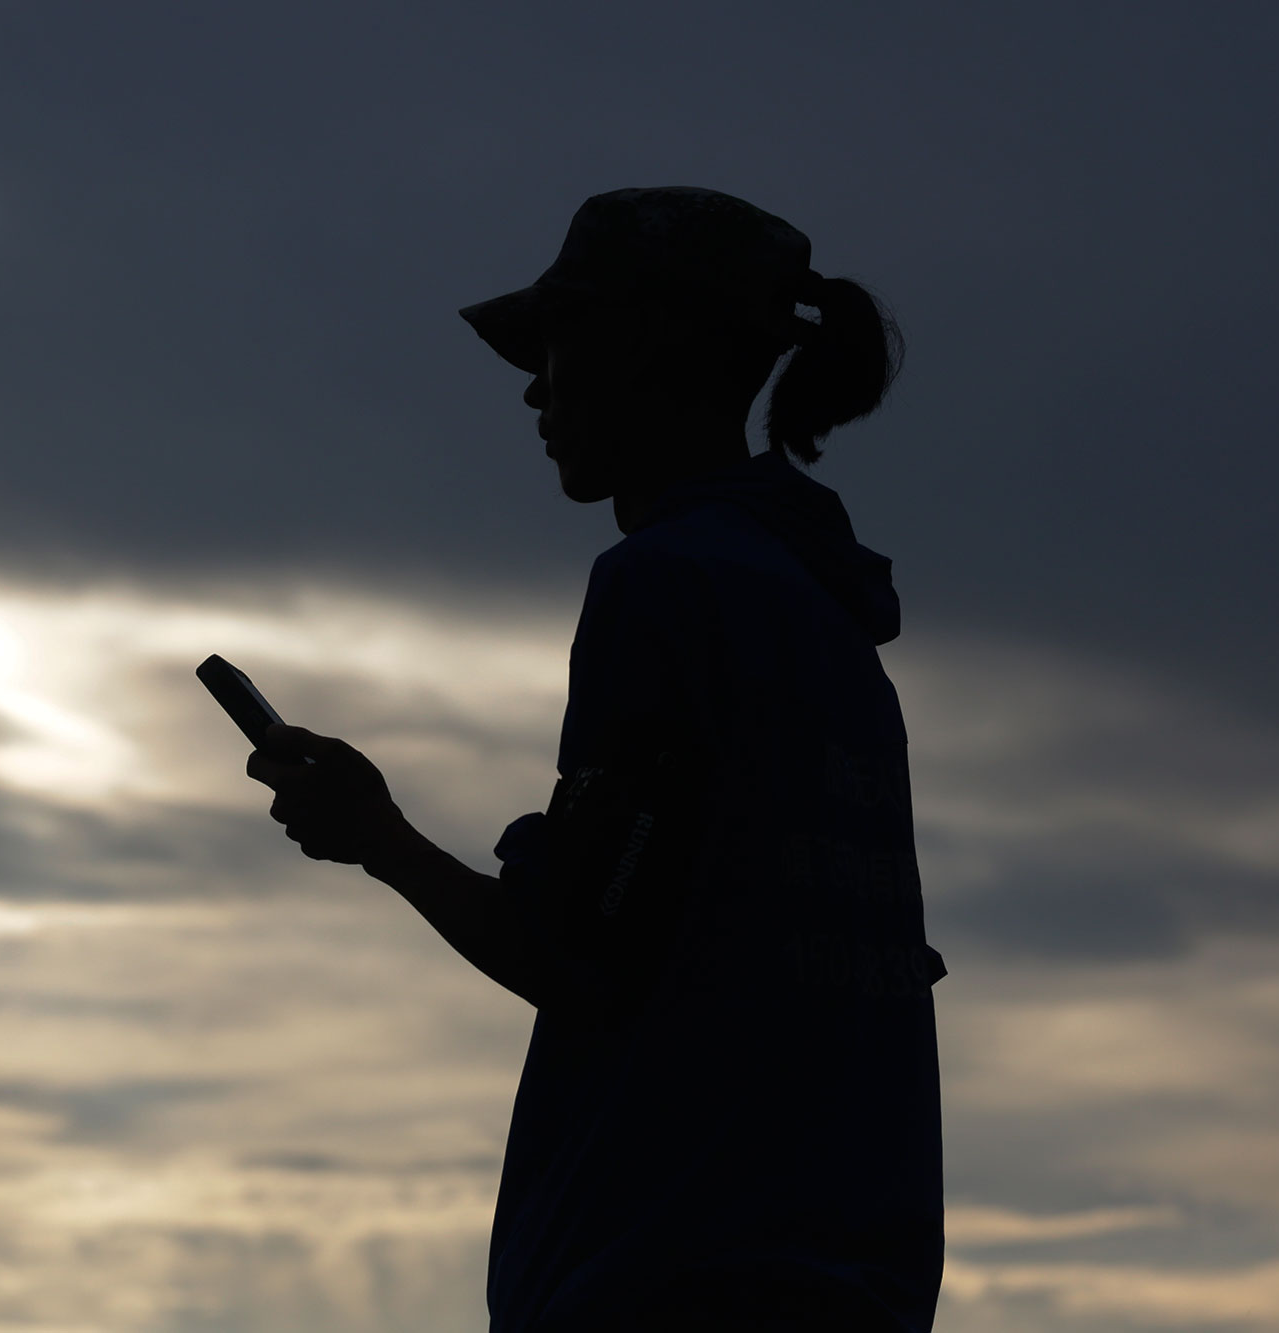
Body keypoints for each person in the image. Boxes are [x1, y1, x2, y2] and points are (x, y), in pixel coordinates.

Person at [244, 186, 948, 1331]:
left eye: (556, 344)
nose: (532, 385)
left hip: (668, 1279)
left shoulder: (667, 584)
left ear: (647, 346)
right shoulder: (822, 618)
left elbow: (577, 956)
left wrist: (376, 837)